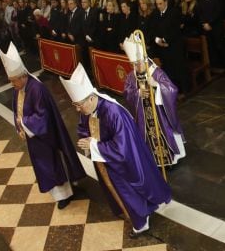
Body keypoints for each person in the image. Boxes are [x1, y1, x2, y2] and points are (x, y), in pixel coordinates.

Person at [62, 63, 171, 238]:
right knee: (118, 192)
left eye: (78, 105)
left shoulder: (113, 113)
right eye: (75, 105)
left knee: (128, 191)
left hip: (121, 163)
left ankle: (141, 224)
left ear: (91, 98)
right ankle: (136, 213)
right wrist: (87, 139)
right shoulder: (88, 109)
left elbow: (122, 147)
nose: (77, 109)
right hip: (104, 159)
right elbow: (83, 127)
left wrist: (94, 146)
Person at [0, 42, 86, 209]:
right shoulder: (19, 87)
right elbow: (17, 108)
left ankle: (65, 194)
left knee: (52, 164)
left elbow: (42, 116)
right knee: (44, 165)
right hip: (34, 137)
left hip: (46, 136)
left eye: (13, 81)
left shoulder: (37, 88)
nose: (12, 84)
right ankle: (61, 191)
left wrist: (23, 123)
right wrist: (19, 124)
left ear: (22, 76)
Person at [123, 34, 186, 168]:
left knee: (162, 132)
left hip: (159, 115)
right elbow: (126, 94)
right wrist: (138, 93)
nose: (137, 66)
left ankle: (170, 159)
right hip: (143, 116)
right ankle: (153, 160)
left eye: (139, 63)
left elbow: (172, 89)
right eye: (134, 64)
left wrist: (157, 85)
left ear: (145, 59)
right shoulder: (130, 77)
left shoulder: (156, 72)